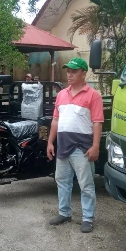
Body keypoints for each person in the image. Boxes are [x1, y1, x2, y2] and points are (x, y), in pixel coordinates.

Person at [46, 58, 104, 233]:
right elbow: (55, 120)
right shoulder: (62, 94)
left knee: (86, 184)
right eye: (68, 71)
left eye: (74, 71)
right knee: (62, 181)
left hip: (82, 148)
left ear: (83, 73)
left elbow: (97, 122)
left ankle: (88, 218)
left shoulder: (93, 95)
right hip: (63, 146)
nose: (69, 74)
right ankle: (64, 213)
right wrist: (50, 142)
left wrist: (96, 146)